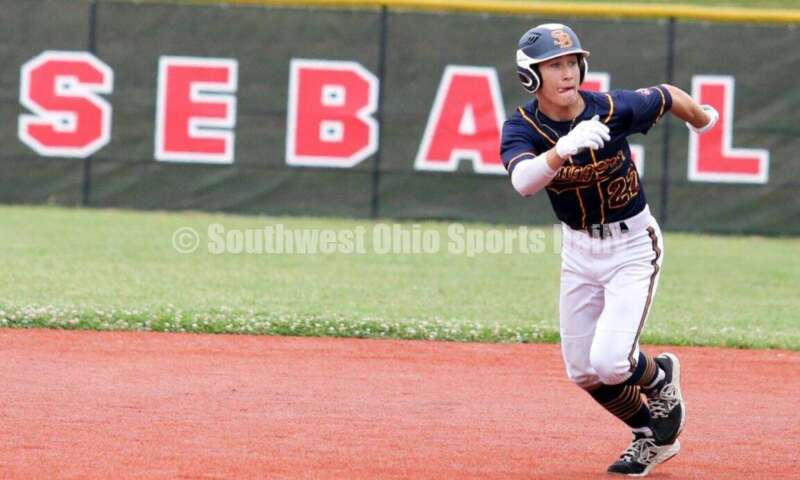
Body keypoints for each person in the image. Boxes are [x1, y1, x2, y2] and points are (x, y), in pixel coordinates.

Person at [500, 24, 719, 476]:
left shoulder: (612, 107)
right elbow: (523, 182)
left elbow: (666, 94)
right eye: (554, 66)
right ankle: (649, 438)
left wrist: (701, 119)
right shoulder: (522, 126)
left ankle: (660, 379)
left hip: (633, 246)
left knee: (610, 362)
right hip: (579, 252)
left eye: (572, 62)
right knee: (582, 371)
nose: (567, 73)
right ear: (530, 78)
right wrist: (560, 151)